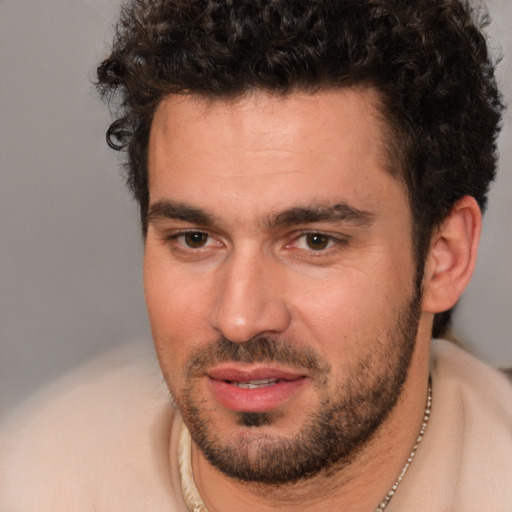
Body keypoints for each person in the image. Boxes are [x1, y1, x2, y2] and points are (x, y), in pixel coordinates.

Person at [1, 0, 512, 510]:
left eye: (315, 241)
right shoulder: (28, 484)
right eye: (195, 239)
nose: (240, 319)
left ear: (444, 257)